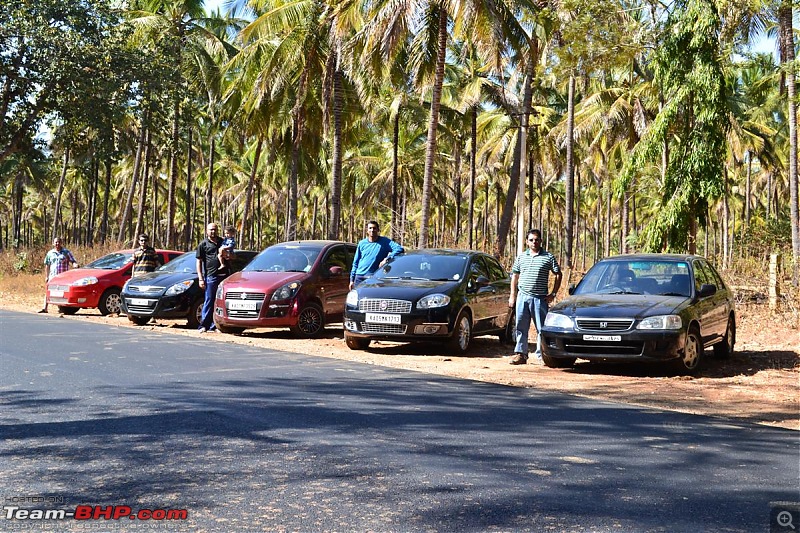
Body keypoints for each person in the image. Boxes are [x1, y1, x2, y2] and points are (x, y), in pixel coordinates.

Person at [508, 229, 562, 365]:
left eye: (536, 240)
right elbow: (515, 276)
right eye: (531, 240)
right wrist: (512, 296)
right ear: (527, 241)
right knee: (520, 326)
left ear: (541, 241)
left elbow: (558, 274)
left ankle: (541, 356)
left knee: (541, 329)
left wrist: (553, 293)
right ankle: (521, 354)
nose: (534, 242)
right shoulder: (521, 257)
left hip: (539, 299)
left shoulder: (548, 257)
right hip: (522, 297)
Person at [349, 221, 404, 290]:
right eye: (370, 228)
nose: (372, 230)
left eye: (374, 228)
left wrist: (387, 258)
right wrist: (352, 280)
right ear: (367, 230)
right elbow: (355, 262)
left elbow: (399, 249)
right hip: (359, 277)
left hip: (373, 277)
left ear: (378, 230)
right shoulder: (362, 243)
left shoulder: (384, 242)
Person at [196, 223, 226, 333]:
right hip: (211, 276)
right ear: (207, 231)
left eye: (215, 230)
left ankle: (216, 325)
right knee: (209, 300)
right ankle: (204, 325)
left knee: (220, 302)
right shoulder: (203, 244)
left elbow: (232, 255)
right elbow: (199, 262)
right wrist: (200, 278)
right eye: (211, 230)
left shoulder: (223, 242)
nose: (213, 232)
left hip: (224, 276)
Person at [39, 237, 79, 313]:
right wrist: (47, 276)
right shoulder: (50, 253)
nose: (57, 244)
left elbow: (73, 261)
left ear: (61, 243)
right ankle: (45, 308)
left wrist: (75, 264)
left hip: (63, 277)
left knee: (62, 292)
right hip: (53, 276)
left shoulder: (66, 252)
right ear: (53, 243)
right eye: (56, 242)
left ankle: (61, 308)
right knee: (49, 291)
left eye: (59, 242)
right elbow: (47, 265)